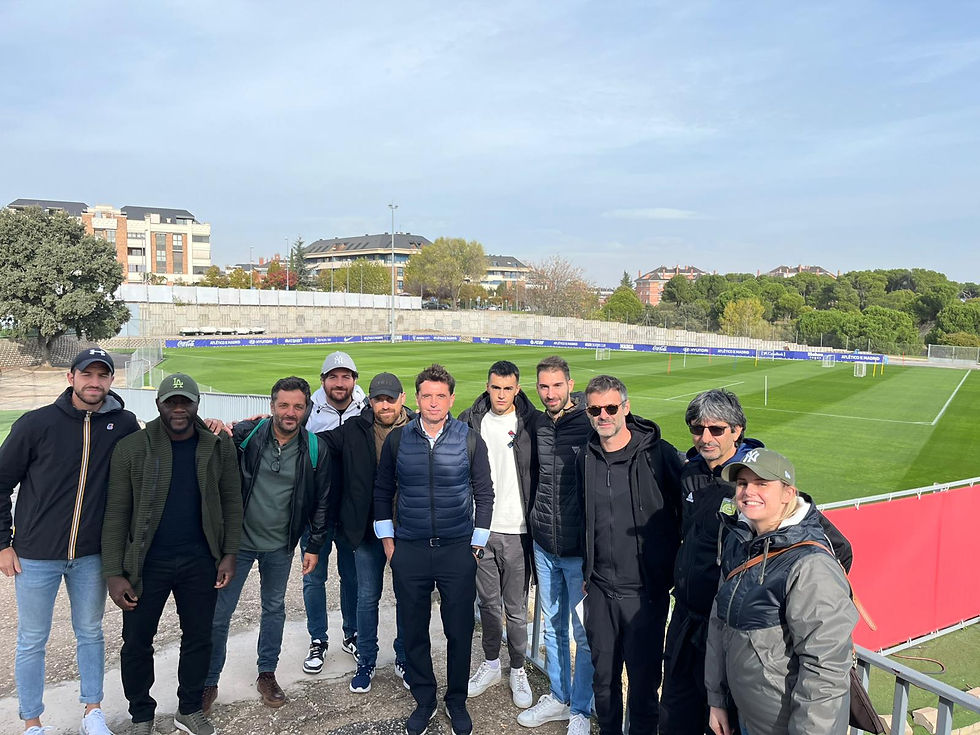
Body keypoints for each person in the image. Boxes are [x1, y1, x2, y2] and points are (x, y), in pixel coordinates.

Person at [660, 389, 851, 735]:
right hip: (688, 618)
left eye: (716, 429)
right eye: (696, 428)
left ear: (737, 430)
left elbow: (836, 549)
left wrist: (778, 608)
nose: (705, 437)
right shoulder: (690, 472)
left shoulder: (762, 484)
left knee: (723, 723)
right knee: (675, 714)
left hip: (735, 633)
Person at [0, 348, 139, 735]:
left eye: (102, 376)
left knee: (91, 632)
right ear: (71, 378)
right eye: (87, 375)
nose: (94, 383)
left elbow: (152, 452)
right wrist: (3, 543)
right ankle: (32, 722)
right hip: (35, 554)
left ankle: (92, 711)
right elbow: (1, 482)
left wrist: (215, 425)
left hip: (92, 555)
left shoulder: (124, 423)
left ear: (111, 381)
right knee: (32, 640)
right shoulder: (35, 423)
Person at [102, 372, 242, 735]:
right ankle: (141, 715)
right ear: (159, 405)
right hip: (146, 563)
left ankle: (190, 708)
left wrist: (229, 553)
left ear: (196, 405)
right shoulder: (132, 448)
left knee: (198, 636)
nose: (179, 409)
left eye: (186, 402)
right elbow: (116, 512)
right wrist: (114, 573)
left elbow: (231, 500)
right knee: (136, 641)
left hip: (200, 560)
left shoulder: (216, 444)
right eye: (171, 402)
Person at [373, 364, 494, 735]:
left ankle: (455, 700)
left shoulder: (469, 439)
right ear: (416, 398)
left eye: (441, 395)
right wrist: (390, 544)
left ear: (451, 399)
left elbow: (484, 494)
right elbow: (382, 492)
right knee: (414, 631)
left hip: (458, 550)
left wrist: (476, 545)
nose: (434, 402)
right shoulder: (398, 439)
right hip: (410, 550)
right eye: (427, 395)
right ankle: (424, 700)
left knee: (458, 631)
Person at [705, 448, 857, 735]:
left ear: (788, 493)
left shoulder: (811, 565)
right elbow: (720, 625)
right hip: (745, 717)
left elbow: (824, 671)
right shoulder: (741, 541)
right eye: (742, 484)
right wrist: (717, 700)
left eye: (762, 483)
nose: (748, 492)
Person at [204, 376, 330, 710]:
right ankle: (208, 680)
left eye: (298, 406)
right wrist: (215, 426)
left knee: (274, 609)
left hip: (280, 545)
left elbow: (321, 502)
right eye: (284, 405)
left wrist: (313, 546)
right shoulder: (247, 435)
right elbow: (212, 452)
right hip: (238, 544)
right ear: (272, 405)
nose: (291, 412)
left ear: (306, 409)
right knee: (220, 613)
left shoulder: (316, 448)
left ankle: (267, 673)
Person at [578, 375, 684, 735]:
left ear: (626, 407)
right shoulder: (587, 455)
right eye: (595, 409)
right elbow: (584, 515)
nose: (603, 415)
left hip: (645, 596)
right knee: (604, 684)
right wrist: (587, 572)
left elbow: (690, 507)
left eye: (610, 407)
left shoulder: (659, 455)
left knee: (642, 689)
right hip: (600, 593)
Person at [319, 372, 414, 693]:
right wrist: (258, 425)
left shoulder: (417, 428)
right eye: (378, 399)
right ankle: (367, 662)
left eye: (390, 398)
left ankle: (403, 656)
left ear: (402, 398)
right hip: (366, 530)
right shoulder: (353, 429)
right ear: (369, 400)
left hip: (407, 529)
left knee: (406, 598)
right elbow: (312, 441)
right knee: (366, 598)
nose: (384, 404)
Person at [458, 360, 539, 709]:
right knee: (488, 606)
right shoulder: (469, 420)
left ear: (517, 389)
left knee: (517, 611)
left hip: (518, 532)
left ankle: (517, 669)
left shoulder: (531, 424)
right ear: (487, 386)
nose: (501, 394)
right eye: (495, 387)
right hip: (481, 532)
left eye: (508, 388)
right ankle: (491, 664)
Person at [519, 356, 594, 735]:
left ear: (570, 385)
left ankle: (581, 708)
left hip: (579, 552)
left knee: (583, 634)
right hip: (544, 543)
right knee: (551, 626)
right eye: (543, 387)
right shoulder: (535, 422)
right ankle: (559, 697)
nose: (550, 393)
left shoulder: (589, 424)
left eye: (557, 386)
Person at [302, 350, 362, 672]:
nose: (340, 383)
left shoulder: (365, 409)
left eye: (346, 377)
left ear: (354, 380)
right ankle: (317, 639)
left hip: (351, 512)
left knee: (351, 577)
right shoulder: (309, 410)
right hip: (315, 513)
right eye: (333, 377)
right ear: (323, 380)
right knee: (314, 578)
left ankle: (351, 633)